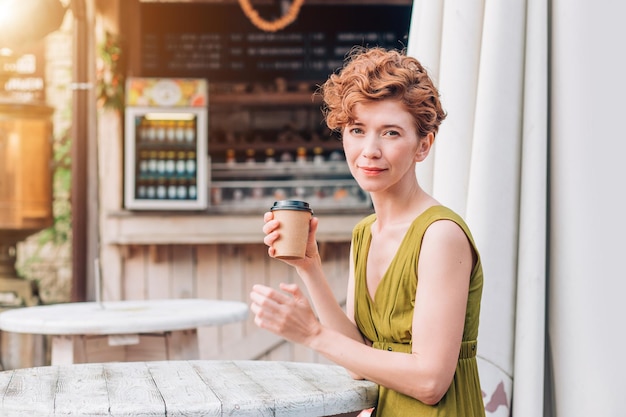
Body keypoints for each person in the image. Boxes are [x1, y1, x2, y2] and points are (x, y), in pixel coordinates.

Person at [250, 47, 485, 417]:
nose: (369, 151)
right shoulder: (366, 232)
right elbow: (358, 361)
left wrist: (311, 333)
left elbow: (429, 381)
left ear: (423, 145)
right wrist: (309, 268)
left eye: (390, 132)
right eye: (357, 130)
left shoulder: (440, 236)